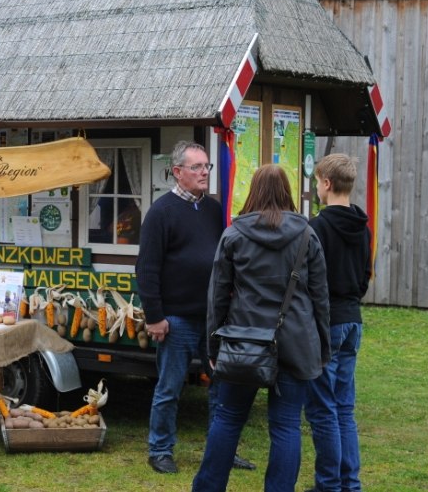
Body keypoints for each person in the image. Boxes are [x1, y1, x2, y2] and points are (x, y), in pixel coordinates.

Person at [193, 164, 331, 492]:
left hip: (244, 342)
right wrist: (323, 348)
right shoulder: (307, 234)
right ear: (287, 192)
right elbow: (320, 298)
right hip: (296, 344)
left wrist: (213, 348)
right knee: (285, 427)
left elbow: (216, 298)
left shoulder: (234, 234)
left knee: (228, 420)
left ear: (253, 191)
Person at [136, 140, 253, 475]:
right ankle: (160, 450)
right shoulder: (161, 212)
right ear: (177, 172)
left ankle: (223, 452)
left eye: (207, 167)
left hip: (215, 319)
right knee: (169, 389)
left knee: (221, 387)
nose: (204, 173)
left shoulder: (216, 210)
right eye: (197, 167)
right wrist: (155, 316)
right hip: (176, 319)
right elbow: (147, 268)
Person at [305, 154, 371, 492]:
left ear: (327, 184)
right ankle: (350, 483)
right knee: (344, 408)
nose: (316, 188)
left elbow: (307, 280)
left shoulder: (315, 228)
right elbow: (364, 278)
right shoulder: (362, 226)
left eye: (317, 182)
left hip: (326, 324)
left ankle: (329, 484)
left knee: (322, 410)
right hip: (352, 321)